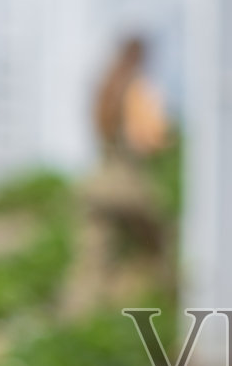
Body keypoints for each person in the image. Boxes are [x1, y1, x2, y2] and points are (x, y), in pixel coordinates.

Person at [65, 35, 172, 316]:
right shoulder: (139, 89)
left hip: (99, 182)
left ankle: (76, 320)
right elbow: (150, 138)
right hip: (129, 185)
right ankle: (164, 313)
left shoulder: (106, 85)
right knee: (158, 254)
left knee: (92, 261)